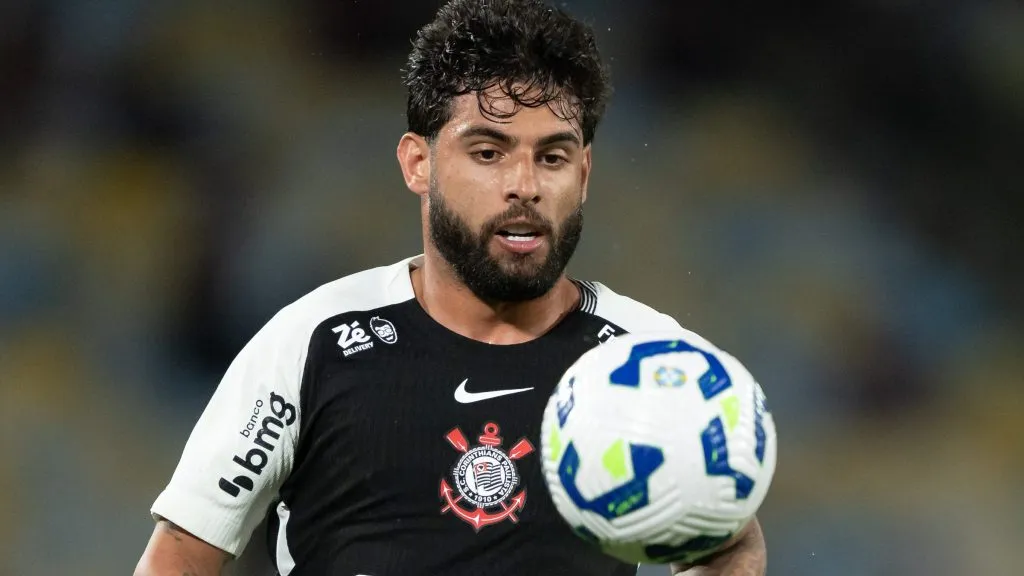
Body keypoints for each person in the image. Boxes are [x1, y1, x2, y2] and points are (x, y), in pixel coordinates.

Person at [134, 0, 767, 574]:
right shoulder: (314, 341)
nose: (526, 184)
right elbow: (183, 554)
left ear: (585, 170)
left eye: (552, 156)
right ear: (419, 163)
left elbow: (732, 545)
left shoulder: (651, 360)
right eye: (489, 152)